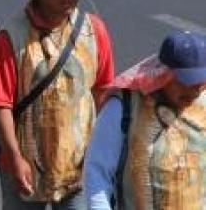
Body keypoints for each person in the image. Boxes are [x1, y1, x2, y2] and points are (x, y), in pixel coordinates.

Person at [0, 0, 115, 209]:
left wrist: (99, 152)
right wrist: (14, 158)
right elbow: (0, 104)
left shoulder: (95, 31)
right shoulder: (11, 36)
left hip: (77, 163)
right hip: (24, 161)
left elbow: (103, 92)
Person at [84, 30, 206, 210]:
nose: (194, 92)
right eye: (186, 83)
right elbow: (96, 174)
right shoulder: (123, 108)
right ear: (164, 75)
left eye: (200, 83)